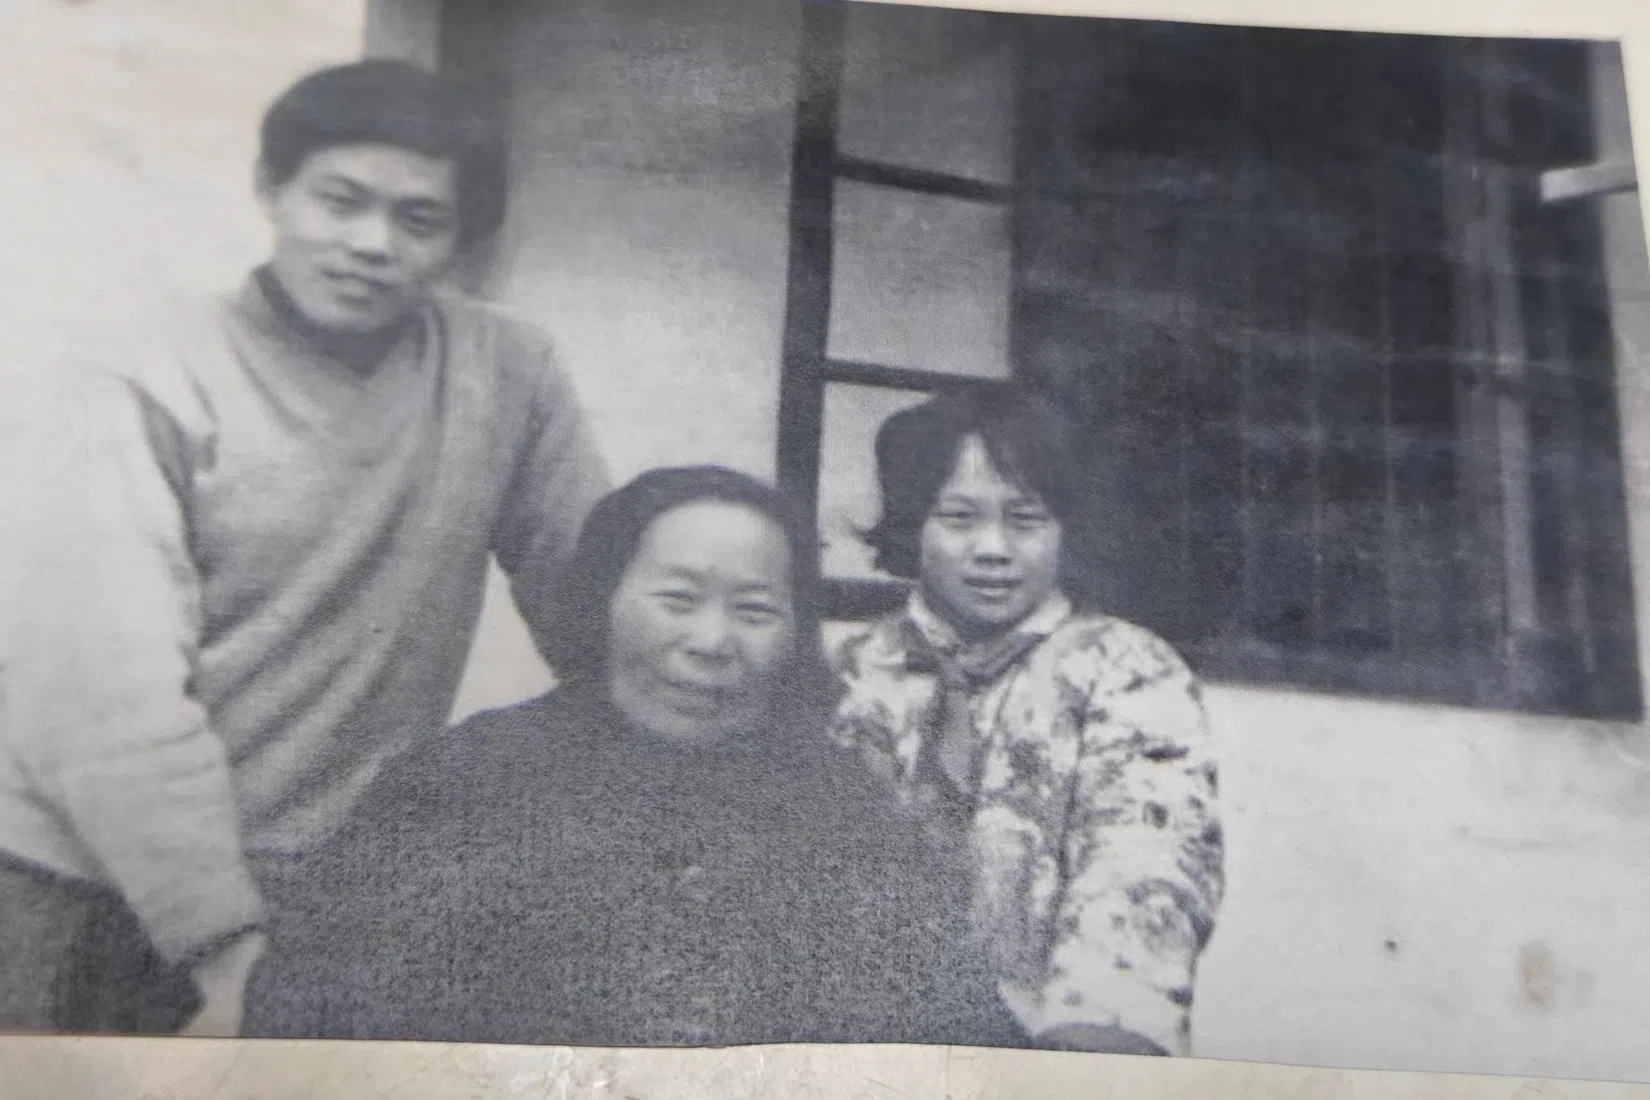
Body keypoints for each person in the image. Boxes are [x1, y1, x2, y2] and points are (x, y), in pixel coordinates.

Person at [0, 60, 609, 1036]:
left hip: (329, 885)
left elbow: (598, 597)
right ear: (273, 191)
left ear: (459, 242)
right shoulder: (138, 371)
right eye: (341, 201)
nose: (371, 243)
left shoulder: (508, 372)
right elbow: (105, 694)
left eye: (419, 220)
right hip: (84, 883)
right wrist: (228, 953)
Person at [242, 466, 1026, 1048]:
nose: (712, 643)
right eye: (677, 600)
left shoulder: (846, 815)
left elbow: (950, 1040)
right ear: (604, 600)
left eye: (755, 610)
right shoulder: (465, 783)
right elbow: (317, 1024)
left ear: (795, 633)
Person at [828, 384, 1225, 1058]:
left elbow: (1144, 858)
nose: (993, 548)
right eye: (958, 517)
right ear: (910, 525)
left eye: (1025, 519)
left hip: (1056, 1038)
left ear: (1066, 530)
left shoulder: (1126, 669)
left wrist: (1091, 1036)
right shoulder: (853, 670)